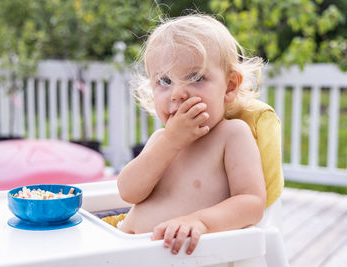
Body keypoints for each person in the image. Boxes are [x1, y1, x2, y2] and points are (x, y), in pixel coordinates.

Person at [116, 14, 284, 255]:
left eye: (196, 78)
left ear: (229, 86)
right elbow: (127, 191)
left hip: (185, 257)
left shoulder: (232, 135)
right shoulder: (161, 140)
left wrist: (201, 222)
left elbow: (251, 203)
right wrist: (170, 142)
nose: (177, 94)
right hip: (124, 250)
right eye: (164, 80)